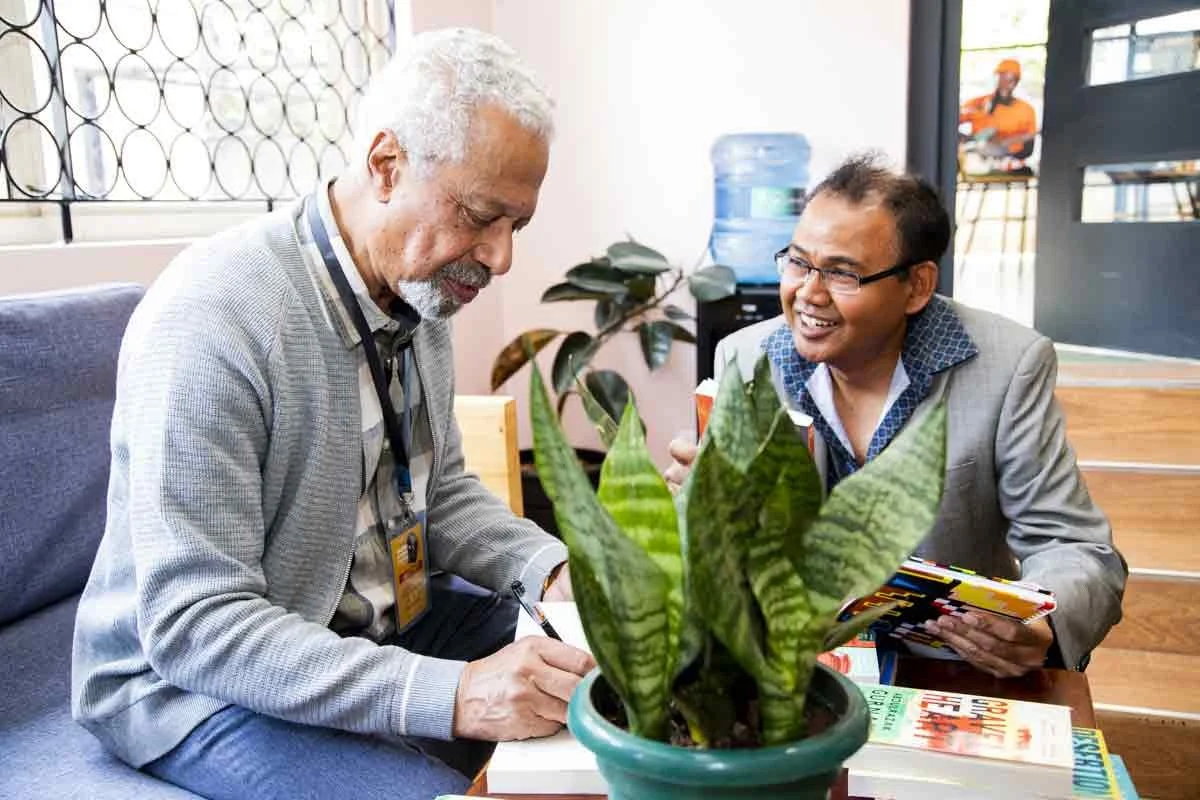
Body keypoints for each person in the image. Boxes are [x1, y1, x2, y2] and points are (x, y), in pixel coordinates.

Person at [71, 28, 594, 799]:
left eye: (516, 225)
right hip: (192, 686)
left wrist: (547, 569)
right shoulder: (214, 317)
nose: (501, 257)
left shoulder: (423, 294)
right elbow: (194, 625)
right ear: (386, 166)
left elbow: (438, 492)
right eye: (483, 215)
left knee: (609, 673)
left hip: (365, 619)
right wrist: (456, 695)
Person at [666, 155, 1126, 679]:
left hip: (948, 667)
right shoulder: (744, 358)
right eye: (797, 263)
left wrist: (1042, 626)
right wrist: (697, 506)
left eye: (842, 273)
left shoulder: (1008, 366)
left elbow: (1073, 546)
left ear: (916, 286)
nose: (808, 295)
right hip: (791, 672)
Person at [959, 58, 1038, 173]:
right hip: (975, 148)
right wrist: (966, 139)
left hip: (1006, 152)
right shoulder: (978, 102)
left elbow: (1029, 142)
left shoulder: (1026, 110)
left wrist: (1004, 142)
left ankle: (1001, 165)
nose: (1004, 83)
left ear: (1016, 82)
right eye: (1001, 78)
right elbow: (953, 119)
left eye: (1010, 79)